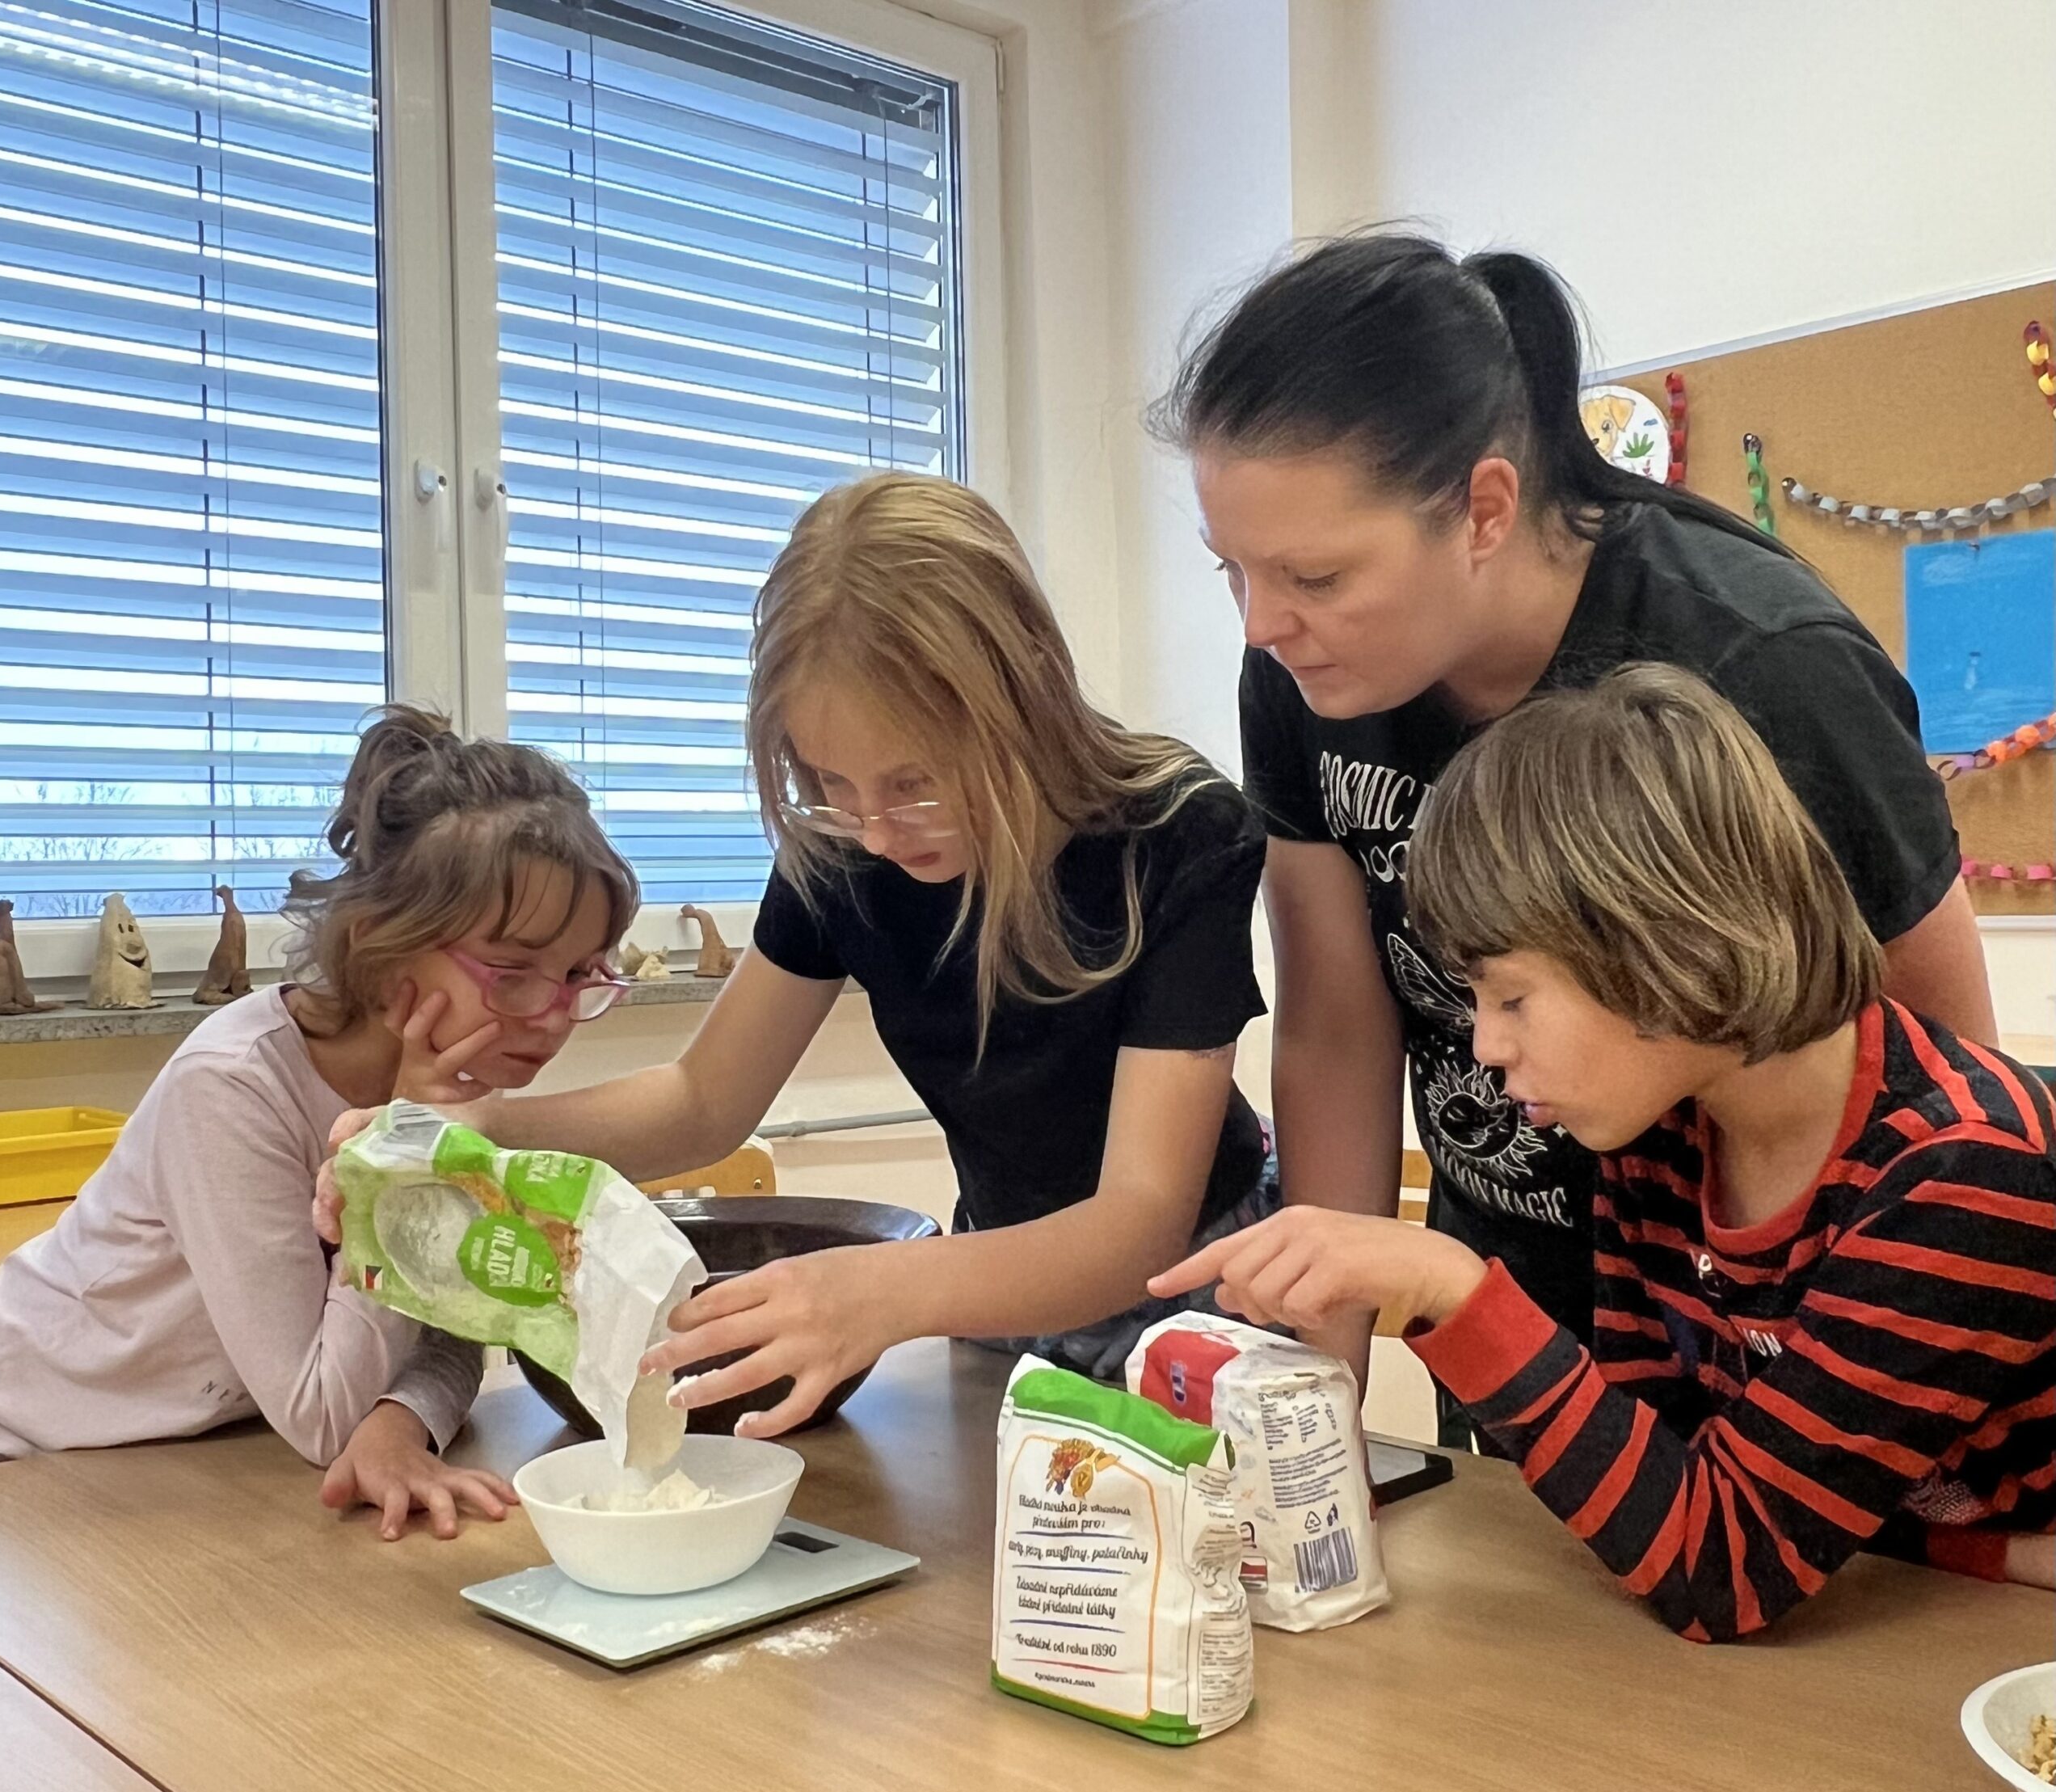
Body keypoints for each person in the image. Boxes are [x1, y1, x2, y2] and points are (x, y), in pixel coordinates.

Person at [1154, 231, 1995, 1435]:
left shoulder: (1760, 660)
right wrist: (1317, 1406)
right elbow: (1337, 1023)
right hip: (1506, 1303)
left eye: (1315, 576)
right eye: (1229, 570)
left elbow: (1949, 1076)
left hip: (1782, 1343)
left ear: (1484, 509)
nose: (1261, 624)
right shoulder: (1300, 670)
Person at [322, 474, 1273, 1438]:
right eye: (829, 781)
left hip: (1198, 1298)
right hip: (1001, 1290)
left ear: (1021, 695)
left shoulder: (1177, 833)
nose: (875, 830)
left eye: (913, 783)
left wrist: (882, 1287)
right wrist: (482, 1132)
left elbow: (1137, 1221)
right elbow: (704, 1100)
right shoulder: (842, 851)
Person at [1153, 666, 2054, 1641]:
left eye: (1511, 997)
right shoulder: (1663, 1123)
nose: (1485, 1047)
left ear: (1666, 948)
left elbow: (1721, 1568)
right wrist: (1956, 1552)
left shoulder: (1962, 1171)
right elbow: (1659, 1473)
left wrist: (1455, 1290)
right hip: (1906, 1608)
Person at [0, 709, 638, 1540]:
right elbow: (323, 1417)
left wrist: (402, 1419)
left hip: (204, 1454)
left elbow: (453, 1318)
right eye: (512, 972)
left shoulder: (452, 1085)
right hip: (27, 1450)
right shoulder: (231, 1086)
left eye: (580, 972)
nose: (552, 1015)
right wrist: (401, 1158)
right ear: (380, 947)